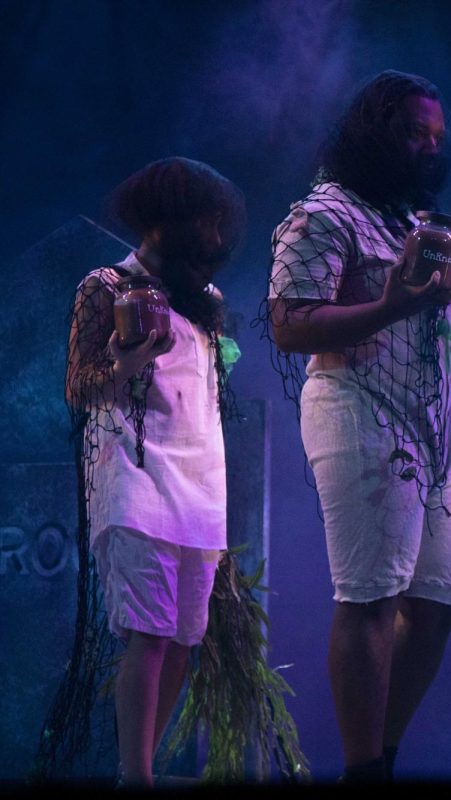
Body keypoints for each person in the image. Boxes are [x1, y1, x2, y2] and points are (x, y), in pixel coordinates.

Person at [266, 70, 451, 783]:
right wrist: (387, 306)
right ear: (376, 131)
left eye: (437, 138)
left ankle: (380, 755)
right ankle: (366, 769)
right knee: (370, 596)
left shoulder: (418, 224)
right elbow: (289, 322)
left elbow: (447, 343)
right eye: (415, 133)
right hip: (359, 410)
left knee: (438, 604)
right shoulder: (323, 214)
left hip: (437, 432)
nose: (428, 148)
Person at [64, 156, 245, 786]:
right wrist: (125, 362)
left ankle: (135, 770)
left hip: (200, 483)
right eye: (207, 223)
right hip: (135, 479)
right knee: (147, 632)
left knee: (181, 638)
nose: (217, 239)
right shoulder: (106, 286)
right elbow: (79, 388)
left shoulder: (208, 303)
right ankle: (135, 774)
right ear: (170, 223)